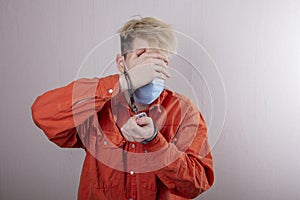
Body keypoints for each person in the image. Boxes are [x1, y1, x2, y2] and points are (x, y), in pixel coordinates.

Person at [31, 17, 214, 200]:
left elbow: (198, 183)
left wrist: (154, 141)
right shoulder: (98, 106)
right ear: (121, 63)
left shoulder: (184, 110)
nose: (151, 68)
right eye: (142, 56)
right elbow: (43, 114)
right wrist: (124, 82)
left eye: (160, 60)